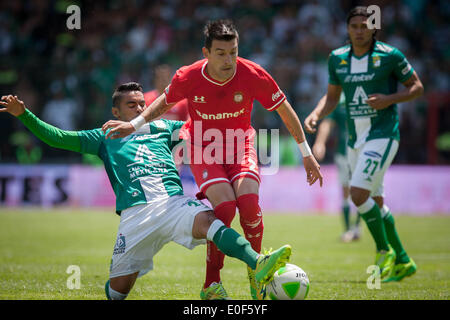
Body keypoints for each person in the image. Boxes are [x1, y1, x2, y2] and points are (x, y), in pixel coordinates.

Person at [0, 83, 293, 300]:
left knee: (211, 222)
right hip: (136, 217)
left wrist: (231, 109)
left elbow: (202, 127)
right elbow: (59, 138)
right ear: (115, 111)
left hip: (173, 204)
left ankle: (258, 263)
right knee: (117, 292)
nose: (141, 110)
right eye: (132, 106)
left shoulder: (164, 127)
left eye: (142, 104)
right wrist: (24, 115)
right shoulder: (104, 136)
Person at [101, 19, 323, 300]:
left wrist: (307, 154)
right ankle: (211, 285)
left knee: (249, 204)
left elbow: (286, 110)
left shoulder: (253, 74)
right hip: (203, 149)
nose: (229, 59)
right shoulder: (189, 76)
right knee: (226, 209)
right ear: (206, 53)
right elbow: (164, 102)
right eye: (221, 53)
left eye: (233, 51)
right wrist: (133, 125)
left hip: (241, 146)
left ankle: (257, 274)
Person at [304, 6, 424, 282]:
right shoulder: (337, 59)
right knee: (375, 200)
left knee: (357, 195)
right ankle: (403, 260)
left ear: (373, 28)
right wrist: (316, 113)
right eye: (354, 26)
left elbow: (417, 87)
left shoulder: (390, 56)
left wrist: (389, 99)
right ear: (347, 29)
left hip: (382, 134)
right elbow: (332, 97)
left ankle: (384, 251)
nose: (359, 31)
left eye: (364, 26)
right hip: (354, 141)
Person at [311, 93, 361, 242]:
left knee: (361, 191)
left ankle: (357, 228)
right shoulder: (340, 99)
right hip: (343, 153)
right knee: (346, 191)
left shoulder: (364, 94)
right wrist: (320, 142)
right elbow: (327, 123)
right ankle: (348, 229)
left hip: (363, 151)